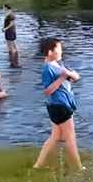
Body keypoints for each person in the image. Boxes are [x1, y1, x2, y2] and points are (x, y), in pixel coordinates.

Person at [33, 38, 83, 171]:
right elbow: (48, 91)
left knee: (55, 136)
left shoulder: (58, 65)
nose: (61, 50)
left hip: (59, 105)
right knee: (70, 138)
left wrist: (70, 75)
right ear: (50, 52)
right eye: (59, 48)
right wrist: (62, 78)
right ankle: (78, 167)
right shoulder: (48, 68)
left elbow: (76, 78)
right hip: (60, 106)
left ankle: (38, 165)